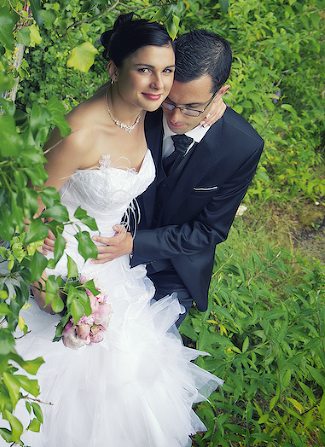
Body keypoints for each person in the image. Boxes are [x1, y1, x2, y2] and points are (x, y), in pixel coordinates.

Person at [0, 14, 222, 447]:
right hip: (64, 266)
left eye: (167, 71)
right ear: (114, 69)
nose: (159, 84)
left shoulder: (144, 115)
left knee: (125, 387)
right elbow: (27, 212)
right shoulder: (78, 134)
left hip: (113, 265)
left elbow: (184, 121)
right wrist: (45, 285)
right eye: (144, 69)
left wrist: (207, 113)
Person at [91, 29, 265, 327]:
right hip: (108, 243)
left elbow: (209, 230)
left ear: (220, 93)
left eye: (193, 108)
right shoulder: (138, 105)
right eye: (170, 102)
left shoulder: (242, 147)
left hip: (175, 267)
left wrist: (136, 243)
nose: (175, 117)